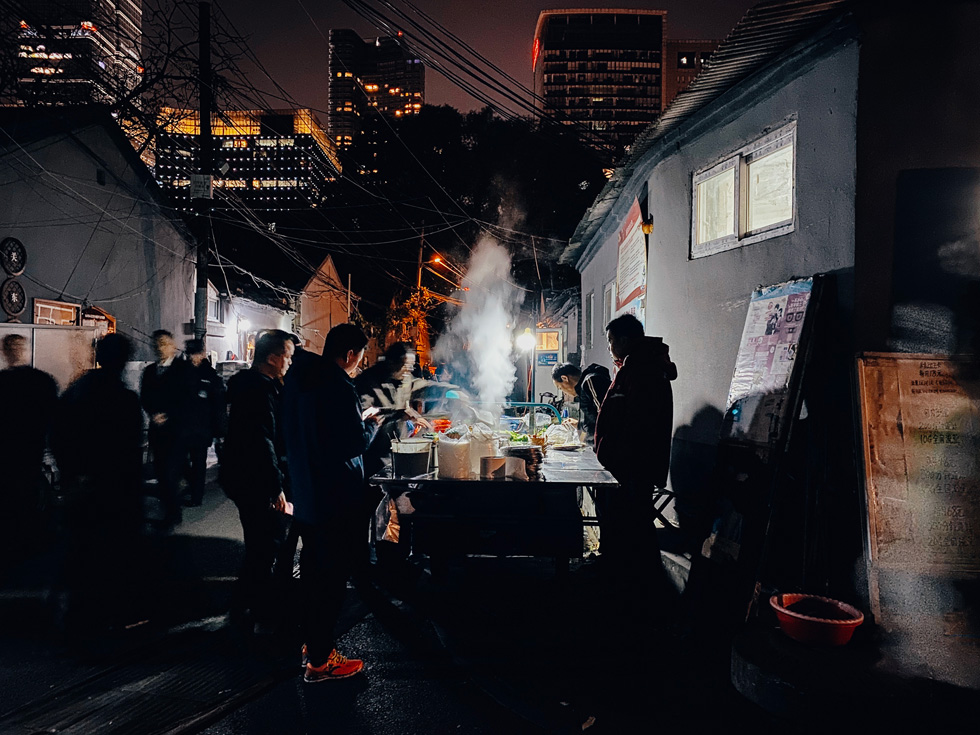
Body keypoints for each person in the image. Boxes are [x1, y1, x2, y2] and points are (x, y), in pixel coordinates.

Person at [281, 323, 380, 683]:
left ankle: (312, 643)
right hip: (336, 498)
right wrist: (371, 425)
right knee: (331, 580)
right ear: (350, 354)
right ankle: (321, 662)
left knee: (313, 574)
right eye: (360, 357)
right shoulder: (336, 385)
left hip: (308, 494)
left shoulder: (298, 381)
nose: (359, 364)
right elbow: (351, 443)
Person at [50, 333, 144, 633]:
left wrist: (72, 475)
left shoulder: (78, 390)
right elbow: (129, 451)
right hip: (115, 487)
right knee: (114, 552)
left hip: (83, 484)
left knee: (83, 549)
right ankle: (109, 616)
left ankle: (76, 614)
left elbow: (58, 435)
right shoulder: (124, 398)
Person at [593, 314, 677, 587]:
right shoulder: (634, 366)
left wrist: (616, 454)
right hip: (626, 462)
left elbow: (638, 422)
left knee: (634, 521)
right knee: (629, 520)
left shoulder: (643, 369)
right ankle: (624, 575)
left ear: (624, 340)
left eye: (610, 340)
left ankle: (637, 584)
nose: (609, 347)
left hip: (632, 463)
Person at [220, 329, 294, 632]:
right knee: (265, 544)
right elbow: (262, 441)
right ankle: (254, 610)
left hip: (243, 478)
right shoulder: (258, 391)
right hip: (255, 480)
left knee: (260, 544)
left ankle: (245, 606)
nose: (290, 362)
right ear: (272, 358)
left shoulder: (254, 385)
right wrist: (275, 487)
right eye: (288, 356)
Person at [0, 334, 59, 573]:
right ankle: (29, 546)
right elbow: (55, 419)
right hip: (29, 451)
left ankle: (14, 547)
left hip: (10, 453)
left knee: (11, 500)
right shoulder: (42, 381)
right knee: (29, 498)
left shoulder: (4, 382)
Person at [140, 329, 187, 527]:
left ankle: (172, 513)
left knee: (170, 472)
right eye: (157, 344)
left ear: (173, 346)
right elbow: (145, 395)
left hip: (176, 430)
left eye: (165, 344)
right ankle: (170, 508)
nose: (161, 348)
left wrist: (169, 415)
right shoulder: (150, 371)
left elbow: (187, 399)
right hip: (157, 429)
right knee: (161, 470)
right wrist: (153, 413)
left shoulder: (182, 370)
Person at [177, 339, 225, 507]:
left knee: (198, 462)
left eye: (196, 354)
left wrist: (219, 431)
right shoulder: (182, 372)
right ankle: (192, 486)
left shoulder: (209, 375)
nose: (193, 357)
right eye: (191, 354)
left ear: (202, 354)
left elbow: (218, 405)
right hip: (183, 426)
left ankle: (196, 497)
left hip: (202, 428)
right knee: (181, 460)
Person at [551, 361, 611, 444]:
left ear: (565, 378)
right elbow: (593, 420)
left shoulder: (590, 381)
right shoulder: (583, 389)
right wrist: (579, 424)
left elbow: (606, 417)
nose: (564, 393)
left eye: (560, 388)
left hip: (607, 443)